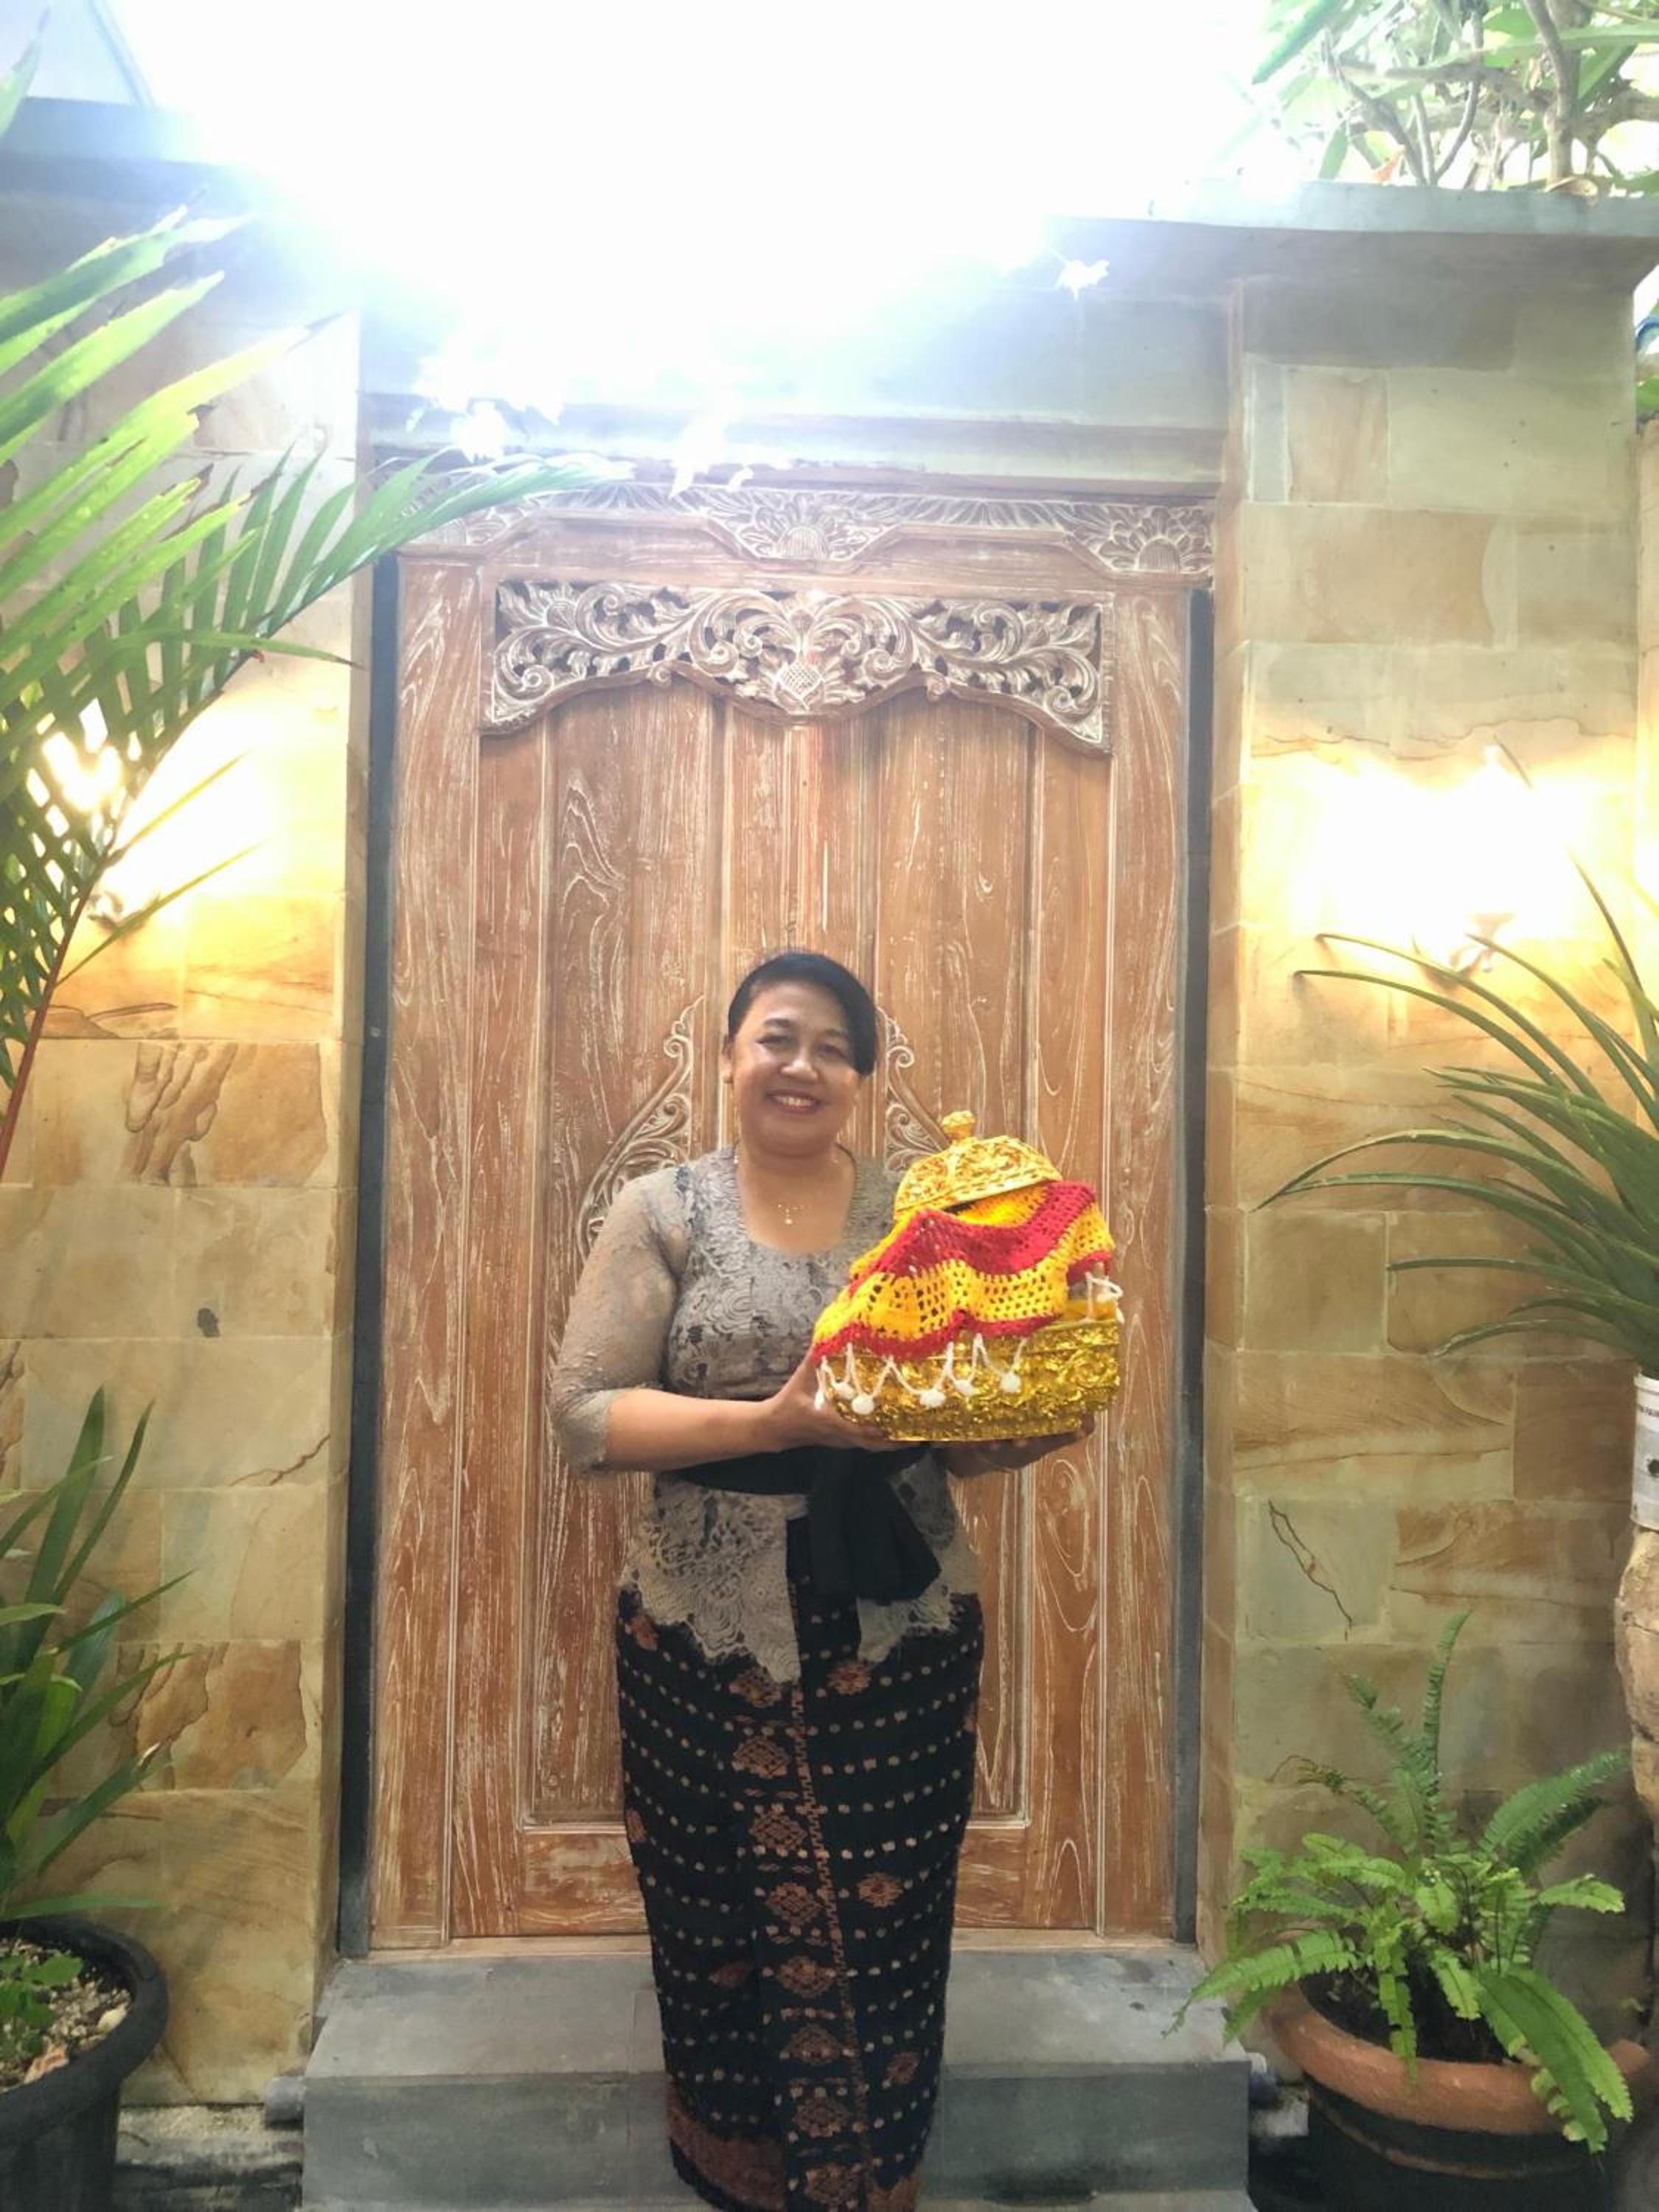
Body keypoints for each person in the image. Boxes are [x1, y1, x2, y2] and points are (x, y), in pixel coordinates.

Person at [549, 950, 1086, 2212]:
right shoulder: (665, 1209)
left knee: (888, 1911)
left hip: (899, 1620)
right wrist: (776, 1423)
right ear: (728, 1057)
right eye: (778, 1037)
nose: (802, 1066)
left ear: (862, 1079)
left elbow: (956, 1429)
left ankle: (868, 2179)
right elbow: (584, 1417)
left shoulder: (922, 1218)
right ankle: (733, 2172)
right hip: (700, 1628)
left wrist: (1035, 1415)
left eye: (833, 1048)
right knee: (711, 1912)